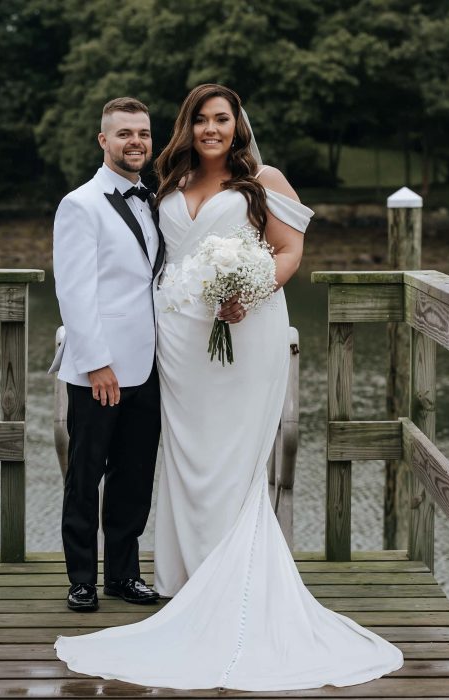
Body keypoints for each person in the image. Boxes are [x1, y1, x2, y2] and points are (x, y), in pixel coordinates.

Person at [55, 85, 403, 689]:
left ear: (237, 126)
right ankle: (179, 580)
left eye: (222, 120)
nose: (211, 129)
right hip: (176, 347)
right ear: (185, 127)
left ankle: (228, 581)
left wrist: (253, 290)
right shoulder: (166, 181)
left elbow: (290, 249)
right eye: (200, 120)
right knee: (183, 458)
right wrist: (98, 355)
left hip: (240, 335)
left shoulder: (263, 178)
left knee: (228, 459)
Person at [49, 97, 165, 612]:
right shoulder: (80, 204)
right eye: (124, 133)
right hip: (99, 367)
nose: (135, 141)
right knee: (86, 472)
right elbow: (74, 292)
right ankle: (80, 579)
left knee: (134, 473)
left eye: (142, 132)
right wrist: (96, 361)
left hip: (150, 363)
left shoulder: (155, 199)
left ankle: (123, 574)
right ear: (103, 141)